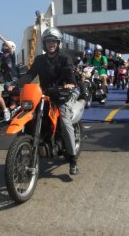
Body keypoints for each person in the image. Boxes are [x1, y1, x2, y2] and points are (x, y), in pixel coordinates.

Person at [24, 27, 80, 175]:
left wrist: (69, 84)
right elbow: (30, 75)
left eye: (54, 41)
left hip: (64, 94)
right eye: (48, 41)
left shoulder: (64, 58)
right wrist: (17, 84)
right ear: (44, 44)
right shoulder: (39, 60)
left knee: (64, 119)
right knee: (31, 114)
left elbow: (69, 72)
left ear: (58, 43)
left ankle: (73, 159)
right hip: (46, 95)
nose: (51, 44)